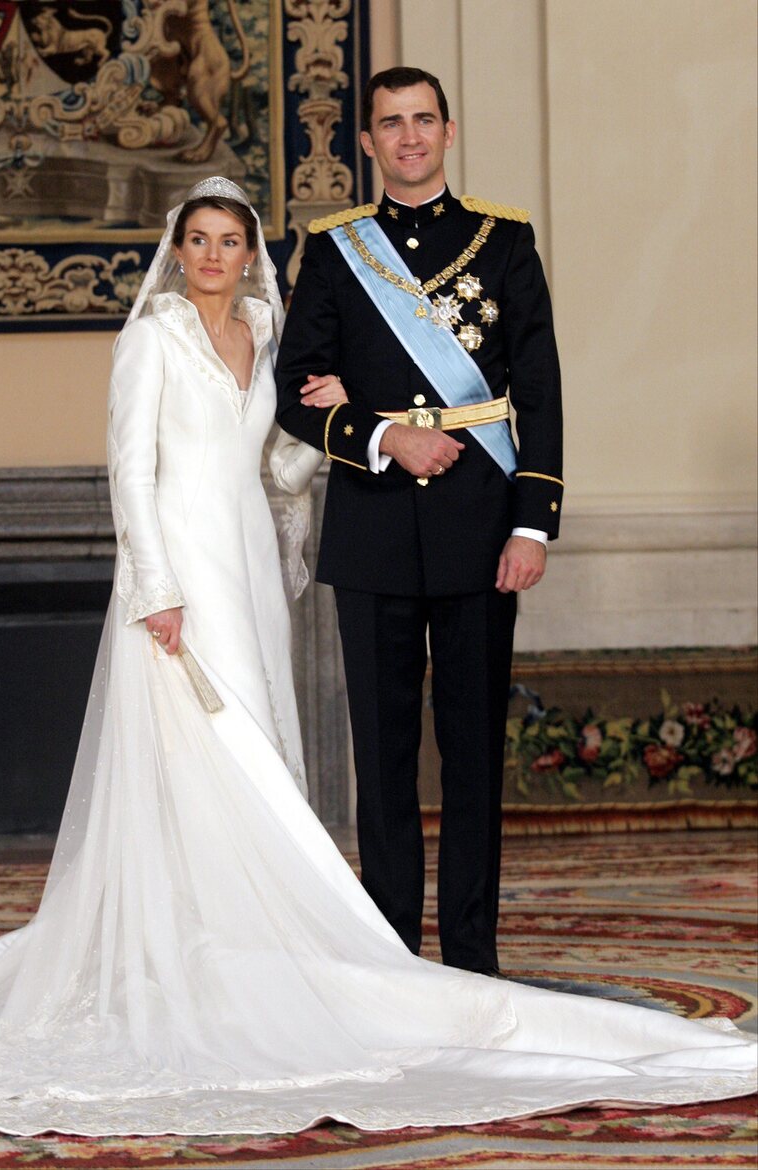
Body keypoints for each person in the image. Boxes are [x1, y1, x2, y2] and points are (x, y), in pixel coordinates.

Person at [0, 178, 753, 1139]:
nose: (214, 255)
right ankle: (192, 957)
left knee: (256, 743)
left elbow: (283, 463)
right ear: (175, 249)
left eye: (230, 240)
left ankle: (257, 948)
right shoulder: (151, 339)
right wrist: (154, 589)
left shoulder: (262, 336)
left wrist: (355, 404)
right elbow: (129, 470)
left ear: (250, 252)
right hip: (183, 570)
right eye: (199, 239)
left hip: (249, 563)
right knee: (204, 757)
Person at [275, 67, 561, 973]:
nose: (407, 138)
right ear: (365, 143)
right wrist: (386, 434)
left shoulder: (503, 240)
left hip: (483, 523)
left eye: (422, 121)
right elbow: (294, 392)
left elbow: (540, 389)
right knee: (385, 758)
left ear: (447, 131)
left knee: (473, 757)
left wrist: (533, 524)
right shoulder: (332, 248)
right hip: (371, 526)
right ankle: (395, 959)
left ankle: (473, 958)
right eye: (390, 124)